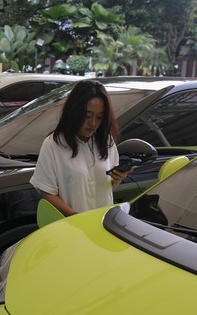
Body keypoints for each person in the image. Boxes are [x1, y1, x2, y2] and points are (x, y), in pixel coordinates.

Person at [30, 80, 130, 217]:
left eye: (99, 117)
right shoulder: (53, 145)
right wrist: (73, 215)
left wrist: (118, 178)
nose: (93, 123)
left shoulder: (106, 141)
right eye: (87, 116)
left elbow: (107, 186)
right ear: (74, 111)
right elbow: (46, 191)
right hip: (72, 226)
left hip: (103, 223)